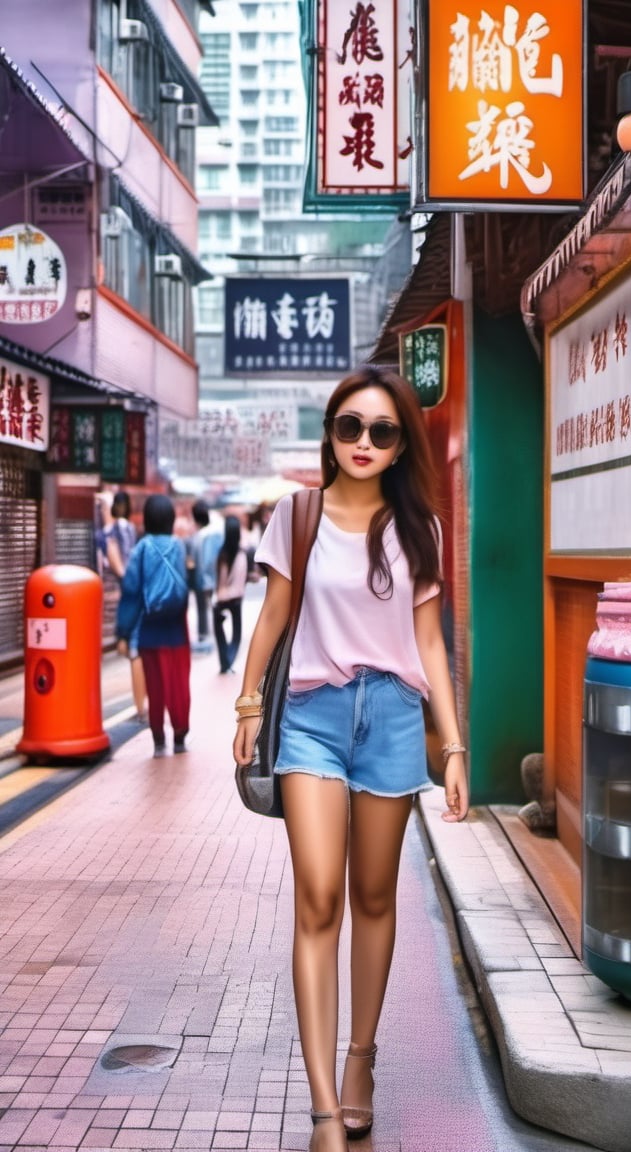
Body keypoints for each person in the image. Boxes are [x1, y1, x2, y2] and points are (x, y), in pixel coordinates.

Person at [233, 366, 469, 1152]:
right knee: (319, 896)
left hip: (396, 722)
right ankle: (325, 1109)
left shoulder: (420, 530)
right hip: (311, 718)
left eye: (382, 431)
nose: (364, 443)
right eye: (349, 427)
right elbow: (272, 618)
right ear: (330, 434)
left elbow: (430, 644)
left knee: (374, 897)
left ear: (401, 445)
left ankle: (361, 1058)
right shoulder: (297, 517)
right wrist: (246, 702)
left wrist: (455, 743)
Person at [116, 493, 191, 758]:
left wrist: (123, 631)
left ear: (146, 519)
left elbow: (132, 592)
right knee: (179, 681)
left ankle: (159, 740)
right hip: (176, 626)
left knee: (156, 685)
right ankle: (180, 735)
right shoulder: (179, 546)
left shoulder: (142, 549)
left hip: (150, 626)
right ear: (170, 519)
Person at [104, 491, 147, 722]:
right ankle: (143, 707)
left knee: (134, 652)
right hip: (134, 591)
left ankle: (140, 708)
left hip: (125, 592)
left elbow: (119, 567)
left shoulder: (114, 530)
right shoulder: (130, 528)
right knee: (138, 651)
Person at [213, 515, 249, 674]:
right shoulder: (242, 554)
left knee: (219, 632)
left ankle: (224, 662)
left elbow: (219, 579)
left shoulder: (221, 554)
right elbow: (242, 579)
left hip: (221, 599)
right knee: (236, 635)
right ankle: (228, 660)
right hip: (236, 599)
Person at [187, 499, 223, 650]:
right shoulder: (217, 533)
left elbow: (202, 561)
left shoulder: (200, 536)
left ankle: (204, 637)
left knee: (203, 608)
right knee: (213, 608)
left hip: (203, 578)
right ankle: (215, 638)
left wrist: (204, 579)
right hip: (215, 577)